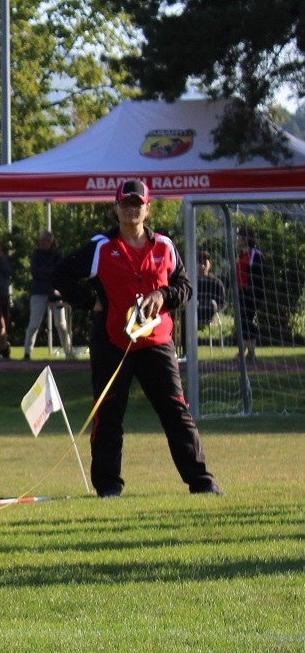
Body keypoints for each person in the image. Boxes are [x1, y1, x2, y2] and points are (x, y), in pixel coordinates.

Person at [52, 180, 221, 497]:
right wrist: (91, 302)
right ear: (115, 208)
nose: (132, 208)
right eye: (125, 203)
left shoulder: (165, 247)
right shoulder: (101, 247)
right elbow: (60, 272)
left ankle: (202, 482)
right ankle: (108, 487)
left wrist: (162, 294)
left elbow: (184, 288)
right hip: (113, 341)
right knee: (109, 413)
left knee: (176, 410)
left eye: (137, 203)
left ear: (148, 208)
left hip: (156, 342)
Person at [22, 231, 73, 361]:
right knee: (34, 324)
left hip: (55, 292)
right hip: (39, 291)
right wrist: (50, 273)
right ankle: (27, 352)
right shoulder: (36, 254)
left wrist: (47, 273)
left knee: (61, 324)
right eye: (42, 240)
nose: (43, 243)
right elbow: (35, 272)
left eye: (46, 241)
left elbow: (59, 271)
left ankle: (68, 351)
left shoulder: (57, 254)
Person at [185, 250, 228, 351]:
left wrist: (216, 310)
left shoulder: (216, 282)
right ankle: (186, 351)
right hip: (193, 312)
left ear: (209, 265)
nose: (202, 266)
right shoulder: (189, 282)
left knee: (211, 304)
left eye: (205, 263)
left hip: (210, 312)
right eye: (199, 263)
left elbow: (222, 302)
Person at [234, 227, 264, 362]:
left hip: (251, 293)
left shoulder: (255, 254)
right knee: (243, 321)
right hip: (240, 292)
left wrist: (251, 288)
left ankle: (244, 351)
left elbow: (260, 273)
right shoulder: (241, 255)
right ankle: (250, 353)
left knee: (246, 320)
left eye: (239, 237)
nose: (237, 240)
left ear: (245, 239)